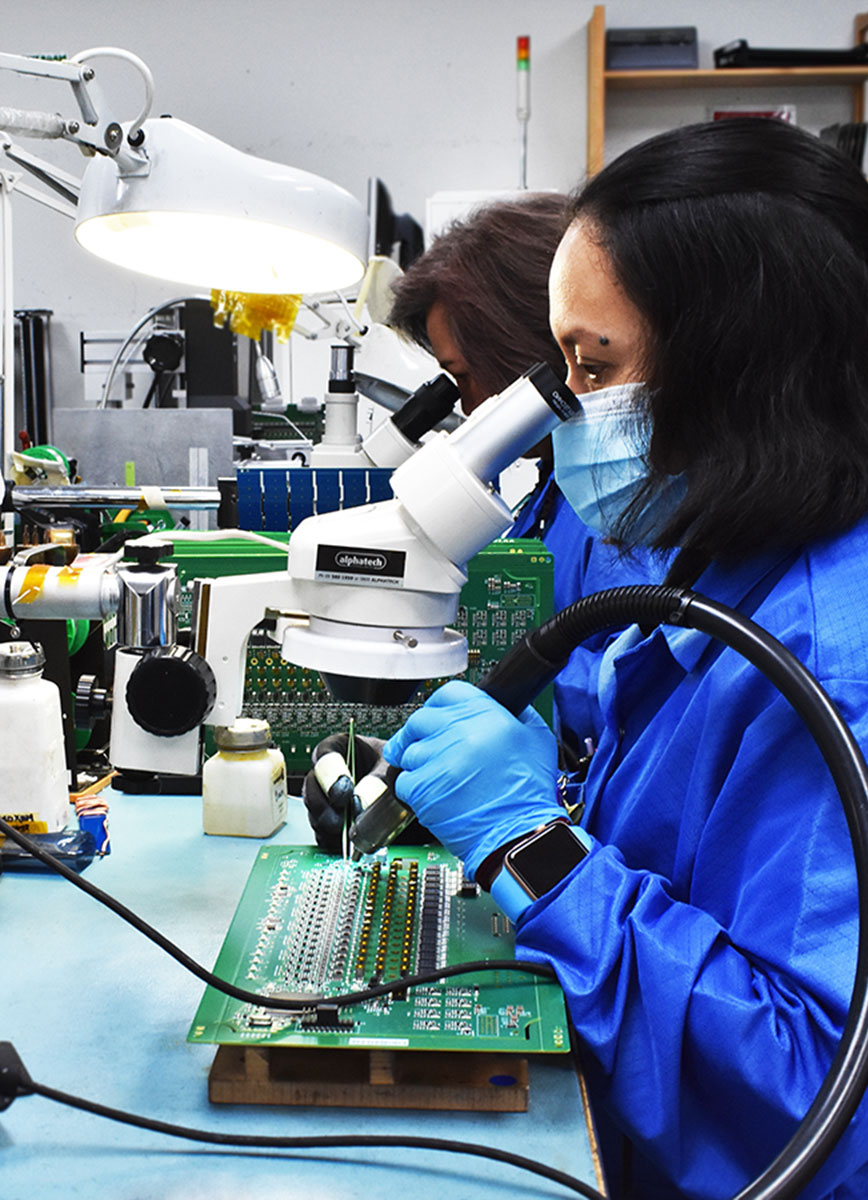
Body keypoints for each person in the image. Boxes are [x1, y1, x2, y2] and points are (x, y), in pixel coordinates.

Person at [383, 117, 868, 1200]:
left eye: (592, 367)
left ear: (742, 369)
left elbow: (816, 1101)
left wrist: (530, 845)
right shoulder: (729, 576)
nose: (566, 408)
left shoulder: (833, 664)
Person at [387, 193, 664, 739]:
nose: (465, 407)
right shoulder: (557, 490)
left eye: (463, 377)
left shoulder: (619, 505)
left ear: (521, 352)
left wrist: (484, 691)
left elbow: (636, 688)